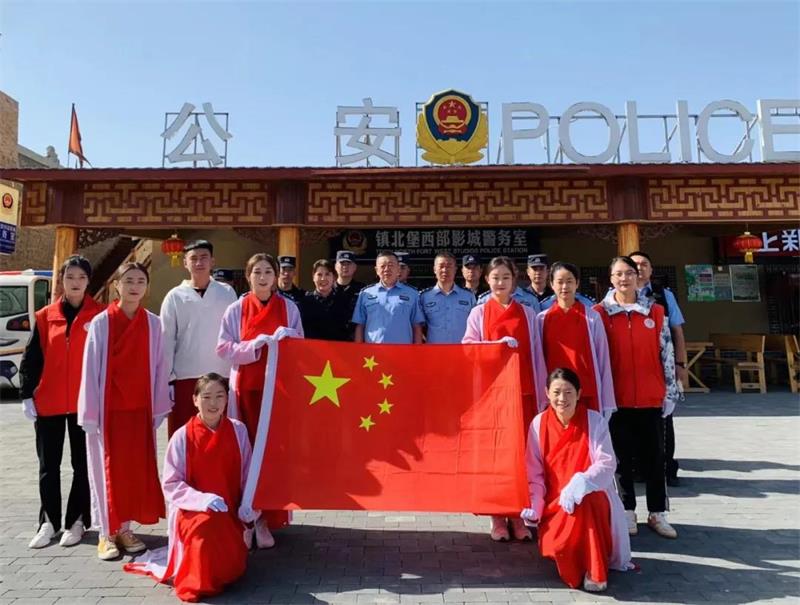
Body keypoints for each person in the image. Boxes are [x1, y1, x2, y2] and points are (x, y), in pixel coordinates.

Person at [124, 373, 256, 603]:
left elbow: (248, 473)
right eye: (206, 396)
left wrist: (248, 505)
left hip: (228, 512)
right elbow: (171, 484)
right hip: (192, 511)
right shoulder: (182, 436)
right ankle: (200, 581)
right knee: (204, 534)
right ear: (195, 400)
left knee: (232, 566)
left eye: (220, 396)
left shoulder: (238, 430)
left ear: (227, 399)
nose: (213, 403)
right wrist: (201, 500)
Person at [78, 262, 171, 560]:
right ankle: (106, 532)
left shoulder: (154, 324)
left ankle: (126, 528)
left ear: (146, 287)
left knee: (133, 470)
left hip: (140, 410)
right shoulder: (102, 322)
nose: (134, 286)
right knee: (105, 470)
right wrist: (89, 413)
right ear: (117, 285)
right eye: (128, 280)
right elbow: (90, 368)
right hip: (108, 410)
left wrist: (159, 406)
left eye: (140, 281)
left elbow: (161, 366)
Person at [217, 253, 304, 548]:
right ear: (248, 276)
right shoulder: (236, 309)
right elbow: (223, 348)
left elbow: (301, 347)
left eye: (268, 271)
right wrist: (253, 346)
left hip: (277, 390)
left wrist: (287, 338)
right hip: (246, 389)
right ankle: (246, 517)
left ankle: (266, 518)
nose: (263, 277)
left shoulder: (289, 307)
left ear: (276, 276)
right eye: (257, 272)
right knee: (246, 451)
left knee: (272, 453)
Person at [19, 255, 104, 549]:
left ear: (88, 281)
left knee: (82, 464)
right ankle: (49, 522)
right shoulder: (45, 316)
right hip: (49, 403)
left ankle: (77, 520)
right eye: (70, 277)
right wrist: (27, 395)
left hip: (85, 404)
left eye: (81, 277)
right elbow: (31, 359)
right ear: (62, 281)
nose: (75, 282)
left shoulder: (100, 315)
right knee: (48, 466)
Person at [523, 368, 634, 592]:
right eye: (556, 392)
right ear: (546, 393)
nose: (562, 399)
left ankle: (595, 570)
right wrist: (535, 504)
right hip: (555, 500)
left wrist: (583, 482)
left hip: (592, 492)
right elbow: (533, 472)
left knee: (586, 504)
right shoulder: (538, 424)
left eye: (568, 392)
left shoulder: (595, 421)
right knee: (560, 546)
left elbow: (606, 463)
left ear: (579, 393)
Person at [594, 256, 681, 539]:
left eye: (629, 273)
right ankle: (626, 510)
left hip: (650, 397)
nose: (624, 279)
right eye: (618, 274)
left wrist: (670, 391)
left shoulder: (655, 311)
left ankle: (658, 512)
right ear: (611, 279)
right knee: (620, 459)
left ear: (638, 277)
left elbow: (666, 353)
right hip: (615, 399)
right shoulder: (599, 314)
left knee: (655, 458)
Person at [462, 256, 538, 542]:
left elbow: (537, 353)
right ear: (487, 280)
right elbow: (468, 349)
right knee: (496, 457)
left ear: (514, 279)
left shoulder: (528, 313)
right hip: (493, 395)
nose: (500, 282)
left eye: (506, 277)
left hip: (523, 392)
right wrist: (495, 347)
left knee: (521, 456)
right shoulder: (479, 313)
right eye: (495, 277)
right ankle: (497, 516)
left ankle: (518, 515)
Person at [160, 240, 237, 437]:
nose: (199, 263)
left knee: (220, 435)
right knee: (185, 436)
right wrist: (167, 380)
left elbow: (235, 333)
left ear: (212, 261)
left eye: (204, 257)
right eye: (193, 258)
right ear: (185, 262)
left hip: (221, 375)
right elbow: (166, 341)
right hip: (185, 378)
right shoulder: (174, 296)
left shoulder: (227, 293)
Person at [629, 250, 687, 487]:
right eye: (634, 265)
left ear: (651, 270)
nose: (639, 268)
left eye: (644, 264)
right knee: (631, 418)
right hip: (631, 367)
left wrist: (681, 364)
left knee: (663, 418)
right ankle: (637, 467)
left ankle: (666, 467)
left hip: (661, 366)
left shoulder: (664, 295)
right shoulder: (617, 296)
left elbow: (677, 331)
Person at [532, 262, 616, 417]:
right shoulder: (541, 320)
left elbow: (603, 359)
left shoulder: (592, 317)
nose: (565, 286)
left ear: (577, 283)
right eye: (560, 282)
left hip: (586, 391)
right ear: (551, 284)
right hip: (555, 394)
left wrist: (607, 400)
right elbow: (538, 361)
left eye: (569, 281)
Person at [352, 251, 424, 344]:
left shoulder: (412, 294)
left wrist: (417, 350)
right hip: (373, 351)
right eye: (382, 266)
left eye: (391, 265)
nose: (386, 269)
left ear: (398, 269)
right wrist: (359, 350)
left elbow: (417, 326)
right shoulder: (365, 294)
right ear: (376, 270)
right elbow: (360, 326)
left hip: (403, 350)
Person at [419, 252, 475, 343]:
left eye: (449, 266)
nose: (445, 270)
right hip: (434, 349)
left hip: (462, 349)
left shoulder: (468, 296)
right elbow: (419, 327)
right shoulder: (424, 297)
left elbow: (475, 326)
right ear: (434, 269)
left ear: (455, 269)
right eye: (441, 266)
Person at [299, 259, 352, 341]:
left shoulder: (344, 300)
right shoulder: (304, 302)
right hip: (312, 347)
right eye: (319, 274)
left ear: (334, 277)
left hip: (339, 347)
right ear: (313, 277)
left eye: (327, 274)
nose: (323, 278)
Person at [334, 250, 366, 341]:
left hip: (354, 339)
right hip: (333, 339)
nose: (345, 267)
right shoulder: (328, 288)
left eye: (348, 264)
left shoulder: (363, 290)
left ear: (355, 267)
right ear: (335, 266)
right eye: (342, 263)